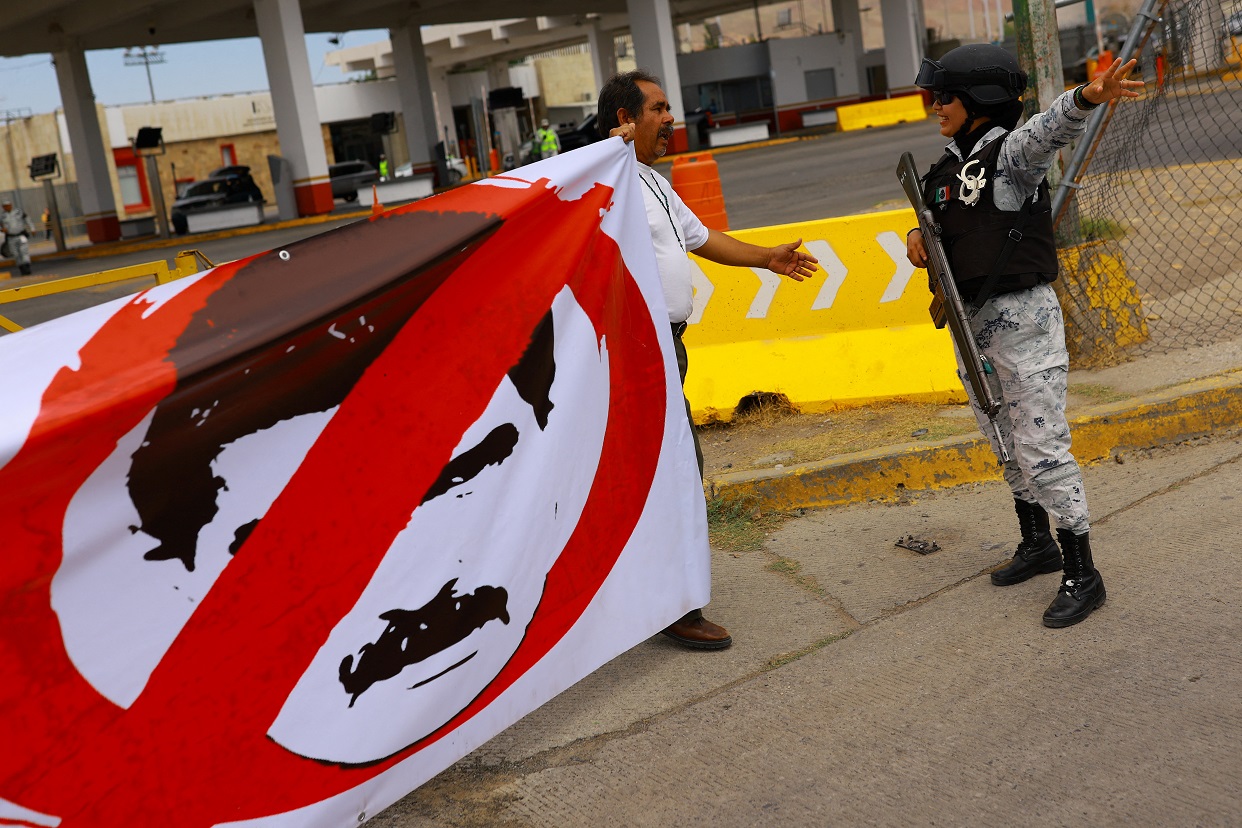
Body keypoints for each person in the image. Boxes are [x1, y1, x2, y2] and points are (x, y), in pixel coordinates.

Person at [903, 45, 1143, 628]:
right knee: (1003, 438)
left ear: (977, 100)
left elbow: (1046, 130)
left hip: (1023, 324)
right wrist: (918, 234)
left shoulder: (1009, 156)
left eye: (943, 97)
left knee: (1041, 445)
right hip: (971, 328)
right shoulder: (946, 169)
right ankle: (1037, 543)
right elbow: (943, 225)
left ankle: (1083, 573)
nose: (934, 106)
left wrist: (1088, 96)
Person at [598, 70, 819, 649]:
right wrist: (606, 154)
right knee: (671, 471)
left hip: (669, 348)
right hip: (636, 353)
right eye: (658, 108)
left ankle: (654, 593)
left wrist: (766, 257)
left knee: (667, 469)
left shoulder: (654, 182)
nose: (672, 118)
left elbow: (702, 239)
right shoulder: (605, 184)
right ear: (625, 120)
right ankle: (676, 606)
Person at [1, 199, 35, 276]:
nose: (7, 207)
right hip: (11, 238)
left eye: (8, 205)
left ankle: (27, 267)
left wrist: (32, 228)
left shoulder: (18, 212)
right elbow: (1, 227)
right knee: (15, 254)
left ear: (11, 205)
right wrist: (2, 229)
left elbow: (27, 219)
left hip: (21, 236)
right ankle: (21, 268)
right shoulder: (2, 217)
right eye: (5, 206)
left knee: (24, 252)